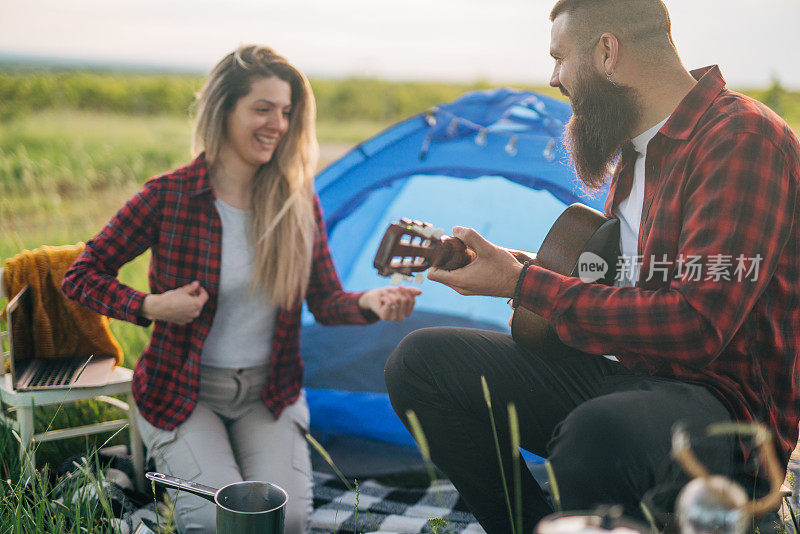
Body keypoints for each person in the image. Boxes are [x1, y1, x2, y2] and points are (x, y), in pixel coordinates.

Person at [384, 1, 800, 532]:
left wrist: (524, 283)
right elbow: (627, 285)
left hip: (728, 420)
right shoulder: (637, 154)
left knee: (597, 433)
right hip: (634, 384)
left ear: (607, 52)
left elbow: (696, 323)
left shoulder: (742, 138)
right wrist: (516, 271)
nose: (553, 77)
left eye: (560, 58)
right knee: (421, 363)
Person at [62, 45, 420, 534]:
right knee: (214, 518)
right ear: (224, 110)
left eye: (287, 112)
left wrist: (369, 303)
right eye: (263, 108)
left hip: (268, 394)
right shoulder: (169, 196)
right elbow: (81, 275)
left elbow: (326, 301)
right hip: (183, 393)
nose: (278, 123)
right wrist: (149, 305)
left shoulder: (297, 203)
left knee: (287, 520)